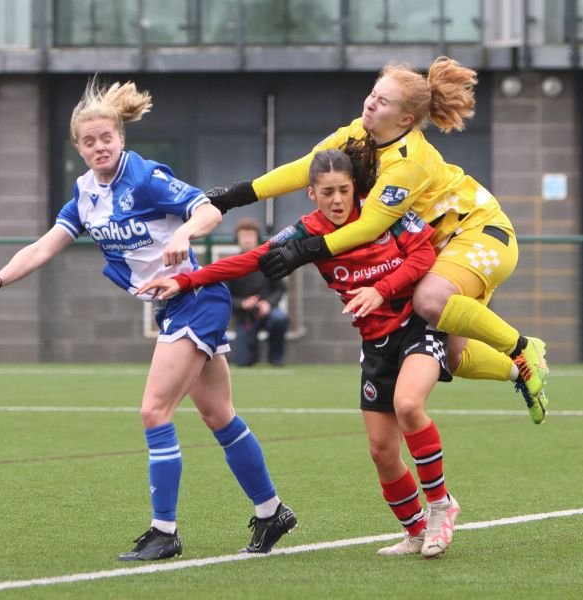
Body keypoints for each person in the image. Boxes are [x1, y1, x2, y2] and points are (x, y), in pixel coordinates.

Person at [0, 78, 296, 561]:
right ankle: (272, 512)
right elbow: (44, 246)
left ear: (122, 139)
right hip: (174, 306)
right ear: (77, 147)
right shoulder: (84, 195)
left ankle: (165, 532)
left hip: (196, 297)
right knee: (217, 415)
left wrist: (184, 232)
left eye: (107, 138)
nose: (100, 147)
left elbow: (206, 210)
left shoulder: (144, 176)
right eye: (89, 141)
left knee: (154, 411)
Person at [139, 149, 461, 558]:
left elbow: (424, 255)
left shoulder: (385, 211)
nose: (338, 200)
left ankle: (440, 507)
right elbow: (252, 259)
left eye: (345, 190)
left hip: (418, 324)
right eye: (328, 192)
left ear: (356, 188)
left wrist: (381, 289)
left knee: (408, 405)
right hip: (376, 343)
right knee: (381, 452)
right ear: (312, 193)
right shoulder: (307, 232)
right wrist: (187, 281)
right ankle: (414, 530)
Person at [207, 56, 549, 425]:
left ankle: (522, 348)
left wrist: (305, 251)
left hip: (479, 232)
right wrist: (236, 195)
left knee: (430, 300)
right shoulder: (358, 131)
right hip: (448, 244)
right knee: (451, 356)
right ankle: (523, 375)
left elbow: (369, 226)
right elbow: (307, 167)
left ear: (405, 119)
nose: (371, 102)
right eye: (373, 93)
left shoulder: (408, 161)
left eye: (383, 101)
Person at [228, 218, 289, 367]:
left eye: (251, 235)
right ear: (238, 238)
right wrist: (242, 303)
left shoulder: (268, 261)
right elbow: (226, 295)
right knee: (243, 362)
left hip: (268, 312)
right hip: (245, 316)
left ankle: (276, 358)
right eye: (244, 235)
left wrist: (268, 304)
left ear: (257, 237)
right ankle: (250, 355)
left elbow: (280, 288)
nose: (247, 239)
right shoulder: (230, 264)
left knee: (279, 319)